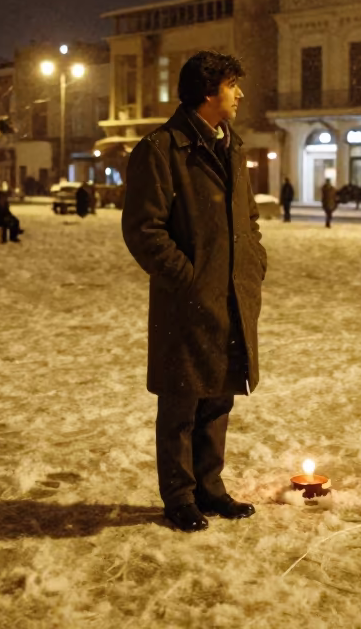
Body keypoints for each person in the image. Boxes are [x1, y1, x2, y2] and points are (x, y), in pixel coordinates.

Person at [122, 50, 265, 534]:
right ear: (209, 92)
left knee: (219, 397)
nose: (239, 94)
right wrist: (187, 278)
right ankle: (179, 495)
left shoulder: (232, 145)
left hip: (231, 296)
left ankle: (211, 487)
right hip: (187, 302)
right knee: (182, 401)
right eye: (231, 85)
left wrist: (253, 263)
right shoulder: (161, 149)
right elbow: (144, 230)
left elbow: (248, 218)